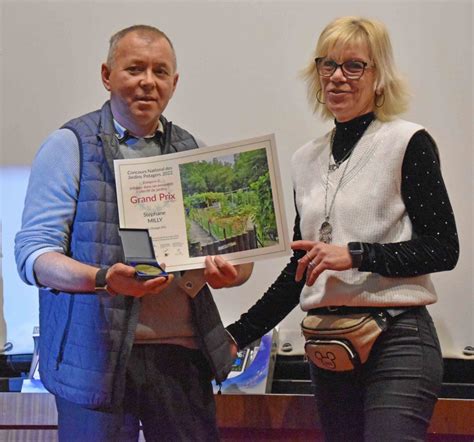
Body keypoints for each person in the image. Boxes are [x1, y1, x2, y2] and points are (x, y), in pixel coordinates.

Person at [15, 24, 253, 442]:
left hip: (181, 357)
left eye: (160, 72)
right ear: (107, 75)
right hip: (95, 362)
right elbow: (34, 255)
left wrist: (235, 270)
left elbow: (237, 259)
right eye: (134, 69)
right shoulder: (69, 145)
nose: (148, 82)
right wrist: (103, 280)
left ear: (174, 83)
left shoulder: (191, 150)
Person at [226, 16, 459, 442]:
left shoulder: (408, 142)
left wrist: (357, 254)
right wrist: (237, 336)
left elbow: (444, 248)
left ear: (379, 77)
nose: (337, 77)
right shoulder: (305, 159)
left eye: (354, 66)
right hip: (329, 347)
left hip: (398, 340)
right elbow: (301, 270)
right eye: (327, 64)